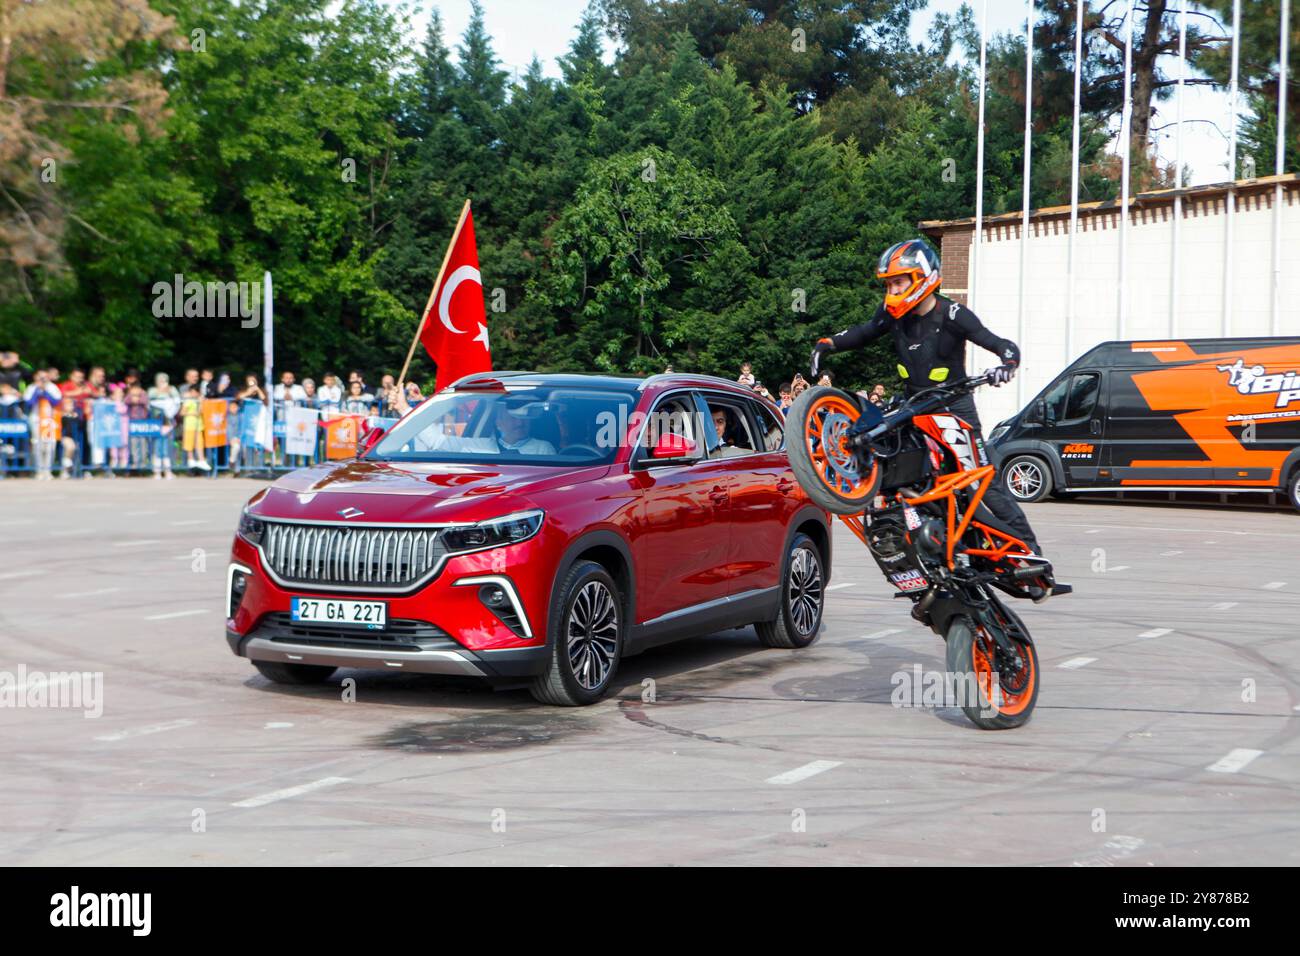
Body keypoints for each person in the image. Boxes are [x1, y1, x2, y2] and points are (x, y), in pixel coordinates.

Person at [809, 237, 1040, 554]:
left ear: (923, 277)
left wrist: (1008, 363)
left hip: (954, 406)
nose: (891, 292)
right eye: (888, 285)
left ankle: (1030, 549)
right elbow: (863, 332)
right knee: (882, 444)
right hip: (913, 405)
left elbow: (999, 343)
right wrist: (828, 343)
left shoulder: (954, 314)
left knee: (983, 483)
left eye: (898, 282)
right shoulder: (892, 314)